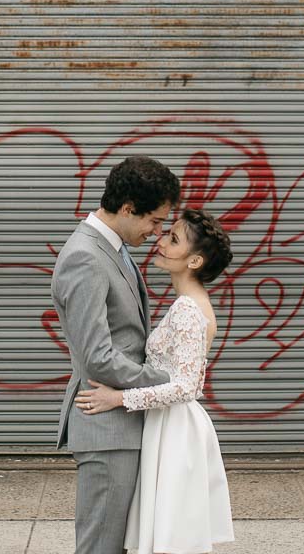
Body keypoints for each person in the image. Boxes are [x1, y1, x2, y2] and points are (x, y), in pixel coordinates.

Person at [75, 208, 236, 554]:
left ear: (194, 261)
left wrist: (118, 399)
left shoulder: (190, 310)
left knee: (169, 534)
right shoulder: (186, 304)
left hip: (175, 429)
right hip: (164, 423)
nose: (160, 241)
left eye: (173, 239)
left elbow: (187, 386)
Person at [54, 155, 183, 554]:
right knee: (101, 547)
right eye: (155, 221)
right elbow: (98, 358)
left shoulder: (114, 246)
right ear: (128, 208)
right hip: (107, 430)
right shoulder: (86, 257)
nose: (157, 231)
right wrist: (169, 382)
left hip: (124, 422)